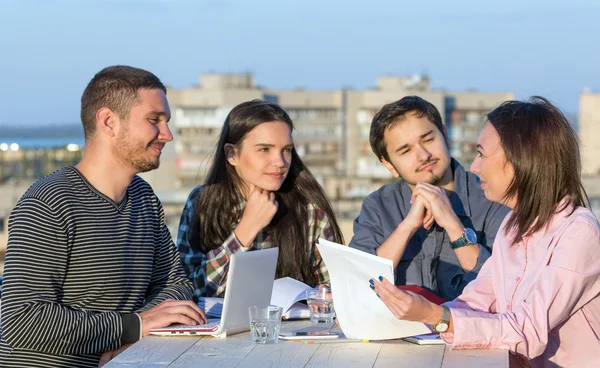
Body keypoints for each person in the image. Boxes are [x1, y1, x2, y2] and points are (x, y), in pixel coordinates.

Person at [0, 66, 206, 368]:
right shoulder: (48, 204)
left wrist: (131, 334)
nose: (167, 135)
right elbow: (22, 321)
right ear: (109, 122)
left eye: (166, 122)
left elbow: (176, 283)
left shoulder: (143, 198)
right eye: (154, 120)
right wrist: (133, 326)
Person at [371, 97, 600, 367]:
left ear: (519, 158)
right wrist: (416, 314)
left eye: (481, 153)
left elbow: (527, 330)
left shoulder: (578, 231)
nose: (474, 167)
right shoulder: (513, 225)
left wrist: (438, 317)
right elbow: (475, 302)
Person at [177, 99, 344, 299]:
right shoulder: (202, 202)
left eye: (286, 150)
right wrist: (244, 231)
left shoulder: (309, 209)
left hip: (292, 328)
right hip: (216, 329)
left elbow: (336, 292)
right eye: (264, 149)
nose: (280, 162)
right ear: (231, 154)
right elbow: (189, 289)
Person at [350, 96, 509, 300]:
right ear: (389, 165)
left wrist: (452, 224)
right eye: (405, 150)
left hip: (471, 329)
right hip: (398, 331)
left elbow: (502, 287)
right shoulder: (378, 207)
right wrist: (406, 227)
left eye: (428, 140)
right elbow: (357, 284)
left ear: (445, 134)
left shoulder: (493, 199)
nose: (423, 155)